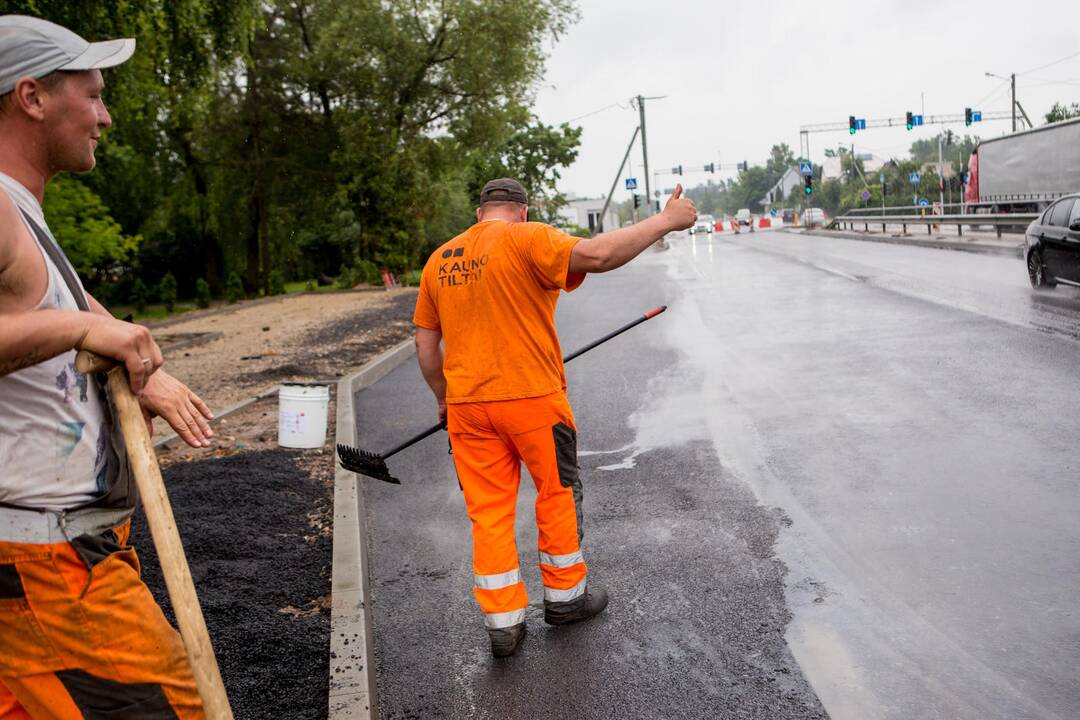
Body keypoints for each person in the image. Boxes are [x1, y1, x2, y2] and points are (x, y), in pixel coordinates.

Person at [0, 15, 215, 718]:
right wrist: (89, 327)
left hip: (53, 565)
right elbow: (72, 320)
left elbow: (62, 307)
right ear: (32, 97)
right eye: (91, 96)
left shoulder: (24, 213)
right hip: (52, 576)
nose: (106, 116)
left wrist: (136, 361)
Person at [413, 178, 696, 657]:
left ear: (479, 212)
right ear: (522, 210)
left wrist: (443, 397)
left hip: (467, 408)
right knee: (556, 493)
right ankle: (565, 599)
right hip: (532, 401)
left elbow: (424, 341)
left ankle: (503, 624)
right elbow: (599, 256)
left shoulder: (440, 260)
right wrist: (666, 220)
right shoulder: (529, 238)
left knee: (489, 512)